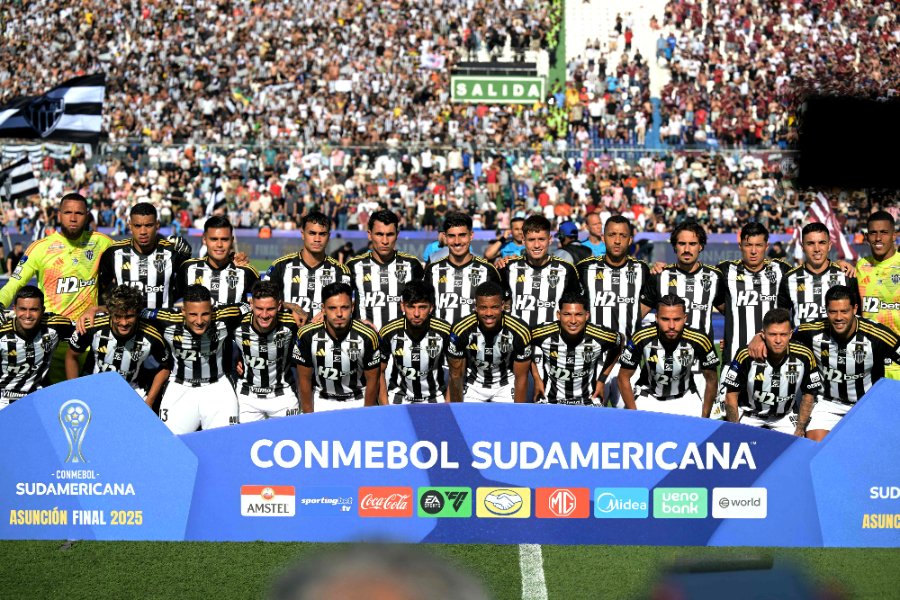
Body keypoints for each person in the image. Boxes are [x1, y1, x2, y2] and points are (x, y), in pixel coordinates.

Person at [794, 286, 900, 440]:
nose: (839, 317)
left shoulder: (876, 335)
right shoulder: (812, 331)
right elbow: (782, 336)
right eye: (833, 312)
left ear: (855, 309)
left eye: (844, 311)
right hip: (828, 404)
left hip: (866, 405)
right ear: (826, 310)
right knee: (816, 446)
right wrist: (761, 338)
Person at [142, 284, 249, 433]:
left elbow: (249, 307)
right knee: (173, 443)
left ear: (212, 310)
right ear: (183, 311)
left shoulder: (225, 316)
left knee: (225, 442)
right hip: (179, 388)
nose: (199, 321)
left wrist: (242, 354)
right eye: (193, 314)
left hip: (218, 389)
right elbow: (135, 313)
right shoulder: (166, 319)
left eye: (205, 314)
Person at [577, 215, 653, 405]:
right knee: (592, 419)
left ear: (630, 239)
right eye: (612, 235)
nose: (617, 240)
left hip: (628, 364)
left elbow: (650, 300)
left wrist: (632, 316)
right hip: (593, 362)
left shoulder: (642, 270)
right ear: (603, 237)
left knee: (631, 419)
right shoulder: (585, 269)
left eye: (622, 235)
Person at [0, 192, 113, 319]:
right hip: (52, 325)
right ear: (59, 216)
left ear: (87, 217)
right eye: (67, 212)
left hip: (88, 326)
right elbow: (14, 284)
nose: (73, 218)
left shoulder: (101, 242)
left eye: (79, 213)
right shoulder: (40, 248)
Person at [646, 221, 724, 401]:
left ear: (701, 246)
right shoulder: (660, 276)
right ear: (674, 246)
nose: (687, 249)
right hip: (665, 365)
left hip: (703, 367)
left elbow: (732, 313)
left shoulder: (714, 277)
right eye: (682, 244)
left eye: (692, 244)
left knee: (705, 418)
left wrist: (731, 337)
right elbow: (636, 316)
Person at [66, 285, 171, 409]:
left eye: (129, 316)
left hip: (132, 390)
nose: (124, 323)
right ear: (110, 313)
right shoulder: (92, 327)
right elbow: (71, 356)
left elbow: (166, 367)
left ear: (137, 313)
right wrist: (76, 391)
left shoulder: (152, 336)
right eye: (118, 316)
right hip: (95, 389)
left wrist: (149, 401)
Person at [723, 308, 821, 436]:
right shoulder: (746, 355)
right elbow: (731, 395)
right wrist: (735, 429)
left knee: (799, 446)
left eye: (783, 334)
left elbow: (809, 395)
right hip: (749, 415)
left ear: (791, 334)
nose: (778, 340)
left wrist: (800, 428)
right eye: (773, 334)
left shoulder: (804, 355)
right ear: (763, 334)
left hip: (784, 417)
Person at [617, 294, 719, 417]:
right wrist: (633, 413)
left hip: (686, 399)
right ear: (656, 318)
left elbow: (712, 379)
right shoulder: (641, 337)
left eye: (677, 319)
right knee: (637, 428)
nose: (671, 326)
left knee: (699, 429)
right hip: (649, 397)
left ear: (685, 318)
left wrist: (705, 416)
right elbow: (623, 377)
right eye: (665, 319)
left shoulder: (700, 339)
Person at [295, 282, 381, 411]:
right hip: (321, 402)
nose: (339, 313)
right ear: (323, 309)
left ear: (352, 307)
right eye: (332, 308)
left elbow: (373, 380)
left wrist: (367, 414)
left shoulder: (368, 335)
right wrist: (309, 416)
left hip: (357, 401)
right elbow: (304, 379)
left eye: (344, 307)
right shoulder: (307, 335)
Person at [717, 222, 792, 367]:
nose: (753, 251)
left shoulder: (781, 270)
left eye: (758, 245)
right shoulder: (725, 271)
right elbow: (714, 298)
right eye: (748, 245)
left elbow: (810, 275)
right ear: (740, 246)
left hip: (772, 361)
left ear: (766, 246)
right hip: (734, 359)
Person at [94, 202, 191, 313]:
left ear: (157, 225)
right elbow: (101, 287)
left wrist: (186, 257)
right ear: (130, 225)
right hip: (127, 321)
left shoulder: (172, 251)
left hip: (163, 321)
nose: (143, 232)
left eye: (149, 225)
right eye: (137, 226)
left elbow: (185, 286)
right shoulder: (114, 252)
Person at [447, 281, 532, 403]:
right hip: (473, 385)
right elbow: (456, 375)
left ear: (502, 306)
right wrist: (457, 409)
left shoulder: (520, 330)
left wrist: (517, 411)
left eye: (494, 307)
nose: (489, 313)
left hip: (505, 385)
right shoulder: (461, 329)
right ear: (476, 307)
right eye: (483, 307)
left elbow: (521, 377)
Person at [531, 291, 622, 406]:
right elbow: (523, 341)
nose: (573, 321)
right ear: (558, 315)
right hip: (551, 401)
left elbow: (620, 341)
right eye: (567, 314)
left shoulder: (600, 335)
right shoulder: (544, 333)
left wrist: (602, 379)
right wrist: (536, 378)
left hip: (587, 402)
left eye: (578, 314)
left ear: (587, 315)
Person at [232, 280, 302, 422]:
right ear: (251, 304)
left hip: (283, 397)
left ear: (279, 306)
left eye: (270, 309)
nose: (264, 315)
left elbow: (315, 328)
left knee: (291, 434)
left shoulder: (291, 323)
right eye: (259, 308)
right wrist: (236, 357)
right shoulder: (236, 322)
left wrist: (295, 308)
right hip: (246, 397)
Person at [346, 209, 424, 331]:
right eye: (379, 234)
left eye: (390, 234)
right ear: (369, 234)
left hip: (401, 338)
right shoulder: (353, 266)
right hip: (364, 338)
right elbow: (340, 304)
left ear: (397, 235)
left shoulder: (412, 265)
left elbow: (424, 302)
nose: (385, 241)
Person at [499, 215, 581, 329]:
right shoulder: (508, 267)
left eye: (541, 239)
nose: (537, 245)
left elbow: (576, 308)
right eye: (531, 240)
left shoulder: (567, 269)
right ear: (523, 240)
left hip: (552, 338)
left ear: (550, 239)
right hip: (517, 338)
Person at [265, 211, 350, 319]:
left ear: (328, 237)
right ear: (303, 234)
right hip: (288, 329)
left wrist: (327, 313)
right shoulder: (280, 265)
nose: (317, 239)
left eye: (322, 234)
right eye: (312, 233)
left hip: (324, 330)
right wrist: (290, 306)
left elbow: (346, 305)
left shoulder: (340, 271)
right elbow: (263, 298)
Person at [0, 286, 74, 409]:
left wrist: (96, 309)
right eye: (23, 309)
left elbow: (90, 328)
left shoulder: (55, 325)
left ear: (43, 310)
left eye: (34, 309)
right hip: (3, 401)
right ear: (14, 309)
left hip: (38, 399)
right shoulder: (2, 333)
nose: (27, 315)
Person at [379, 280, 452, 404]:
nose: (416, 314)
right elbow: (378, 372)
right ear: (402, 306)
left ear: (431, 307)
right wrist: (385, 406)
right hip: (398, 397)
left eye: (422, 307)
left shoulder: (445, 331)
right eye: (411, 307)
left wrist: (447, 405)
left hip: (436, 398)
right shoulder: (388, 331)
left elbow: (456, 372)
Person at [424, 212, 501, 326]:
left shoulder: (488, 270)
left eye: (462, 235)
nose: (457, 242)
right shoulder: (432, 270)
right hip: (441, 336)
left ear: (471, 235)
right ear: (445, 237)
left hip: (476, 337)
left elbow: (500, 307)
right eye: (452, 236)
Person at [778, 222, 859, 326]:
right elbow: (780, 320)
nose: (817, 249)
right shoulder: (789, 279)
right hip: (800, 337)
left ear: (829, 245)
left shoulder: (846, 276)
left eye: (822, 243)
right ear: (802, 247)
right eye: (810, 243)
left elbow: (856, 316)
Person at [856, 210, 900, 379]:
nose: (878, 238)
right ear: (867, 237)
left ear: (894, 235)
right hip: (869, 363)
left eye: (884, 232)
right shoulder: (861, 266)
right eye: (873, 233)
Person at [179, 216, 259, 306]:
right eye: (214, 239)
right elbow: (172, 299)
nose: (219, 245)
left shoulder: (246, 272)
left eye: (224, 239)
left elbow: (262, 303)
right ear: (204, 240)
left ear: (232, 240)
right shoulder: (187, 268)